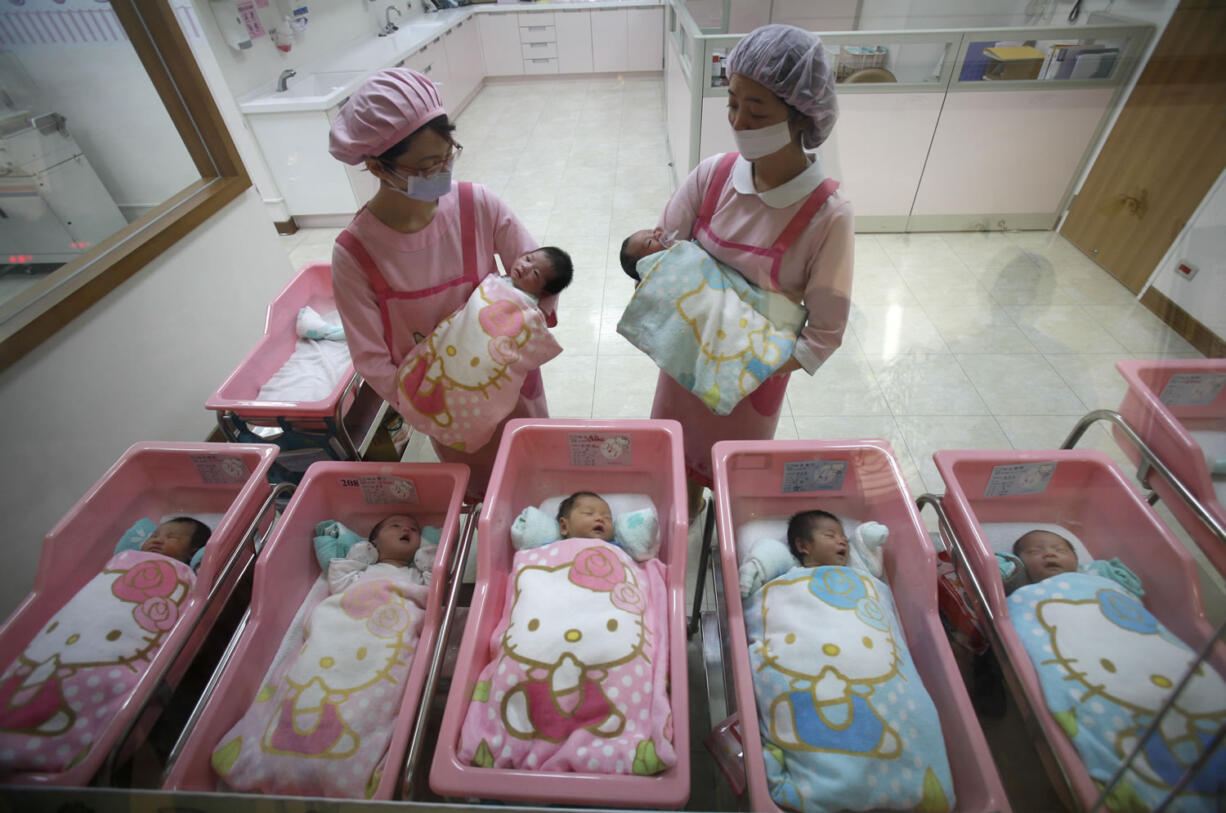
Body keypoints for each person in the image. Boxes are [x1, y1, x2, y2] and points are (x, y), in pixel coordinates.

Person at [647, 24, 854, 515]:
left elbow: (824, 334)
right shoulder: (714, 175)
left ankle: (726, 533)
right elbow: (659, 252)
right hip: (682, 364)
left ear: (803, 116)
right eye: (732, 103)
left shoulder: (827, 216)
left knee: (732, 475)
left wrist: (744, 364)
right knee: (677, 465)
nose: (739, 121)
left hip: (751, 382)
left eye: (756, 111)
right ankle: (683, 515)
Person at [328, 68, 555, 495]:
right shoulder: (356, 254)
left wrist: (523, 323)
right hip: (447, 410)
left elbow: (542, 279)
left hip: (511, 382)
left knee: (534, 469)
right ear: (378, 166)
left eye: (448, 154)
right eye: (430, 165)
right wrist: (429, 407)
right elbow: (371, 358)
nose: (444, 172)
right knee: (481, 487)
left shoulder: (477, 205)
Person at [504, 246, 574, 301]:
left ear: (543, 293)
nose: (525, 267)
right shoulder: (503, 280)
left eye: (535, 273)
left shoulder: (526, 307)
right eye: (528, 259)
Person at [1012, 529, 1079, 583]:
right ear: (1018, 560)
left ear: (1076, 558)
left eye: (1060, 550)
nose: (1049, 553)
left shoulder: (1088, 578)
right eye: (1035, 551)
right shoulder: (1016, 589)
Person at [140, 517, 211, 565]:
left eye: (171, 537)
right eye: (154, 536)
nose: (157, 540)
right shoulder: (130, 557)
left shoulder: (188, 576)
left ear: (193, 553)